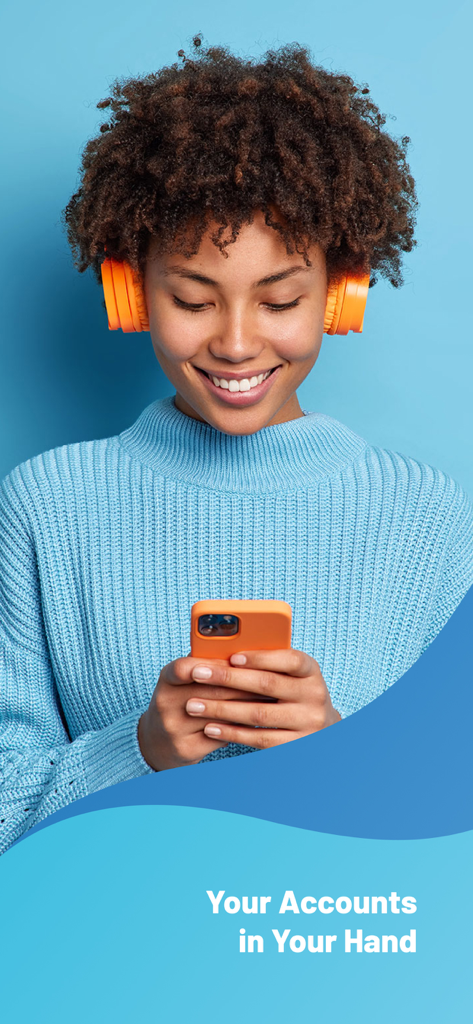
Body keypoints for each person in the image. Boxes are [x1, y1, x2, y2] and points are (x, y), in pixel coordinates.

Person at [1, 40, 472, 855]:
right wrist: (139, 749)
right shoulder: (49, 504)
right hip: (104, 962)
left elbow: (448, 836)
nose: (235, 342)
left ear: (339, 292)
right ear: (130, 289)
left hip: (326, 958)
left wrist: (336, 750)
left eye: (280, 298)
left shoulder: (426, 518)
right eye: (192, 297)